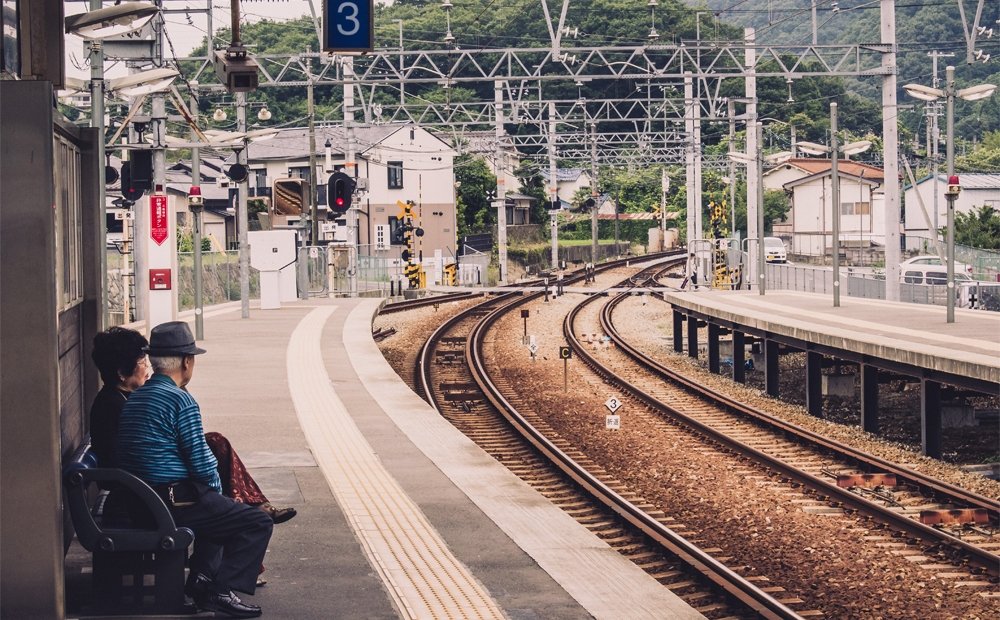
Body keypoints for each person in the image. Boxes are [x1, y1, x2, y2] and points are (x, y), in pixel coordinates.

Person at [116, 322, 272, 618]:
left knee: (218, 511)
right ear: (187, 362)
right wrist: (217, 492)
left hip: (137, 501)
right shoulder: (180, 399)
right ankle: (220, 590)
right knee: (255, 522)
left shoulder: (135, 398)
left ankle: (201, 582)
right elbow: (202, 464)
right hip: (170, 502)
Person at [89, 327, 296, 522]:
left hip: (147, 485)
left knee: (215, 443)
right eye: (142, 362)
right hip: (143, 489)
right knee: (242, 513)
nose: (147, 368)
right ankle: (245, 505)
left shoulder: (130, 397)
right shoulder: (114, 405)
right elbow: (135, 457)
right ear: (122, 372)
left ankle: (249, 502)